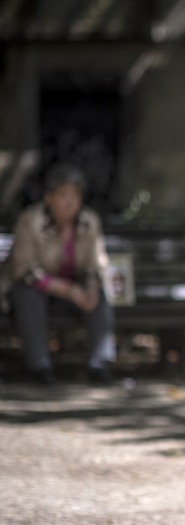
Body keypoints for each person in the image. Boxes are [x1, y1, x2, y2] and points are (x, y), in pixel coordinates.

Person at [0, 164, 115, 384]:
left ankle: (100, 363)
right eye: (63, 196)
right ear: (48, 197)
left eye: (75, 196)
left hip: (73, 288)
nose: (70, 202)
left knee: (98, 296)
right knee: (26, 296)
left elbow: (94, 263)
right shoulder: (30, 221)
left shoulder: (89, 221)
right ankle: (40, 366)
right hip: (37, 288)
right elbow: (25, 271)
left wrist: (90, 287)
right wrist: (70, 290)